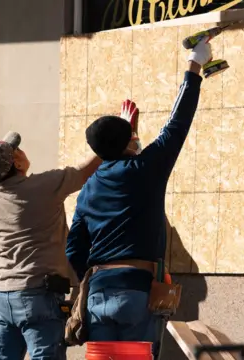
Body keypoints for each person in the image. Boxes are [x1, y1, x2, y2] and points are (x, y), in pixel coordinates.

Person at [65, 38, 213, 355]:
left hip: (97, 295)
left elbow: (74, 248)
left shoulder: (89, 187)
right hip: (137, 292)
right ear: (131, 141)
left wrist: (92, 276)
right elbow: (178, 122)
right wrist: (195, 63)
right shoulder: (146, 169)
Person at [0, 132, 101, 360]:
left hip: (2, 297)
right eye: (18, 150)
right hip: (37, 296)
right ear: (16, 162)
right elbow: (85, 171)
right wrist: (114, 134)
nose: (23, 151)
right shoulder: (41, 186)